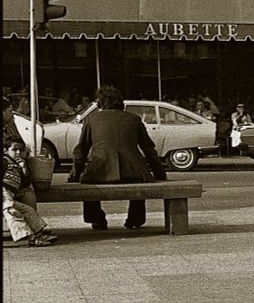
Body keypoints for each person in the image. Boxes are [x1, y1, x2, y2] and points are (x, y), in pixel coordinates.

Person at [68, 85, 167, 230]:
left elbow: (81, 151)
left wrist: (75, 174)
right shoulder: (134, 119)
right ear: (121, 103)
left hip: (100, 172)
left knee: (87, 181)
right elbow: (148, 149)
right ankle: (135, 219)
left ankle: (96, 218)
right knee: (139, 182)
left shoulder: (91, 119)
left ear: (100, 103)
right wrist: (160, 173)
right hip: (133, 172)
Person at [3, 138, 56, 246]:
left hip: (11, 194)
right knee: (12, 211)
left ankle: (38, 233)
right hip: (4, 192)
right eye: (14, 150)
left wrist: (24, 169)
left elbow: (25, 182)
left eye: (21, 150)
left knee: (28, 210)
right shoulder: (4, 161)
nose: (18, 153)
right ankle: (29, 237)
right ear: (6, 150)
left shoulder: (20, 164)